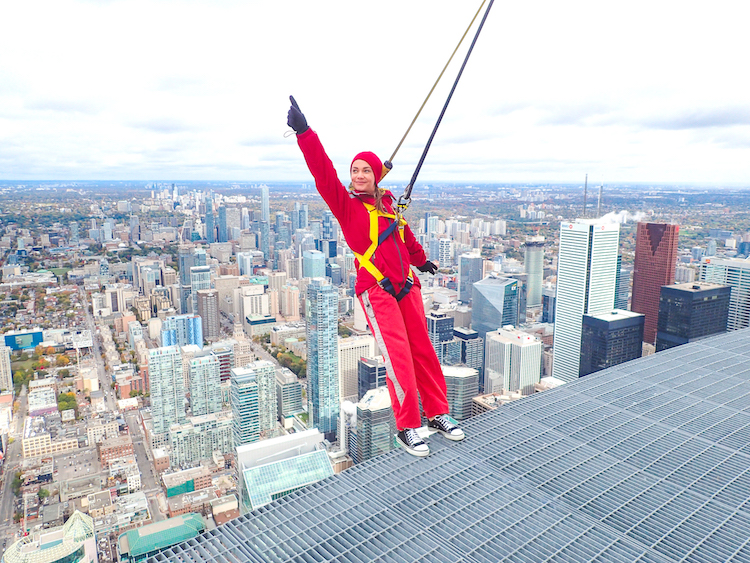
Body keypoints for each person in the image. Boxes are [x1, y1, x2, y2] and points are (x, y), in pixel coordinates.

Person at [287, 96, 464, 457]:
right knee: (399, 357)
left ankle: (437, 413)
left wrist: (420, 259)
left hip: (407, 285)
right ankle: (407, 427)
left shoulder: (387, 204)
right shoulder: (346, 206)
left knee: (424, 353)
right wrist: (305, 133)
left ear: (375, 176)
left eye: (365, 170)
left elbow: (402, 234)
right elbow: (322, 172)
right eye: (354, 171)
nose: (358, 175)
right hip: (376, 288)